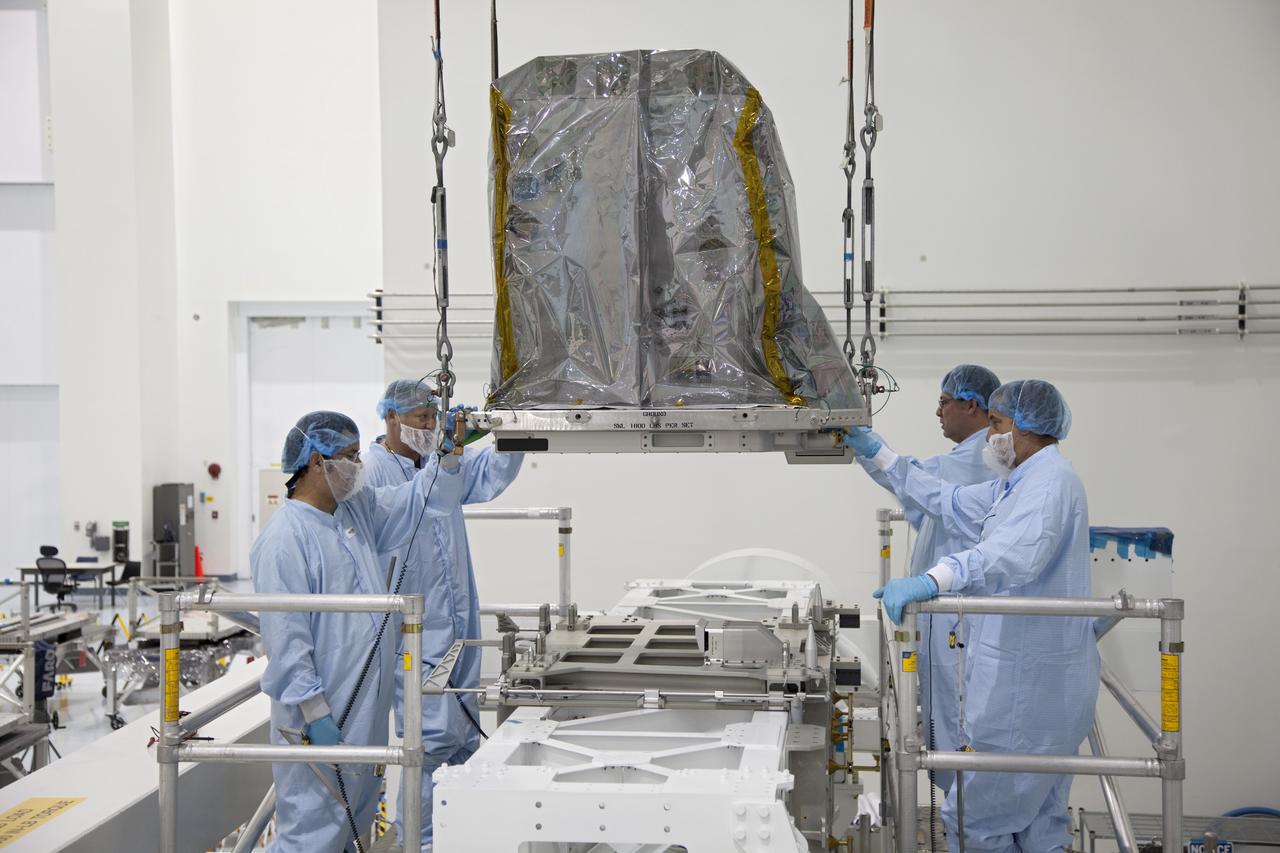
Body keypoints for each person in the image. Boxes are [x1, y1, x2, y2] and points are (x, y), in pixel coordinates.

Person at [847, 380, 1098, 853]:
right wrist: (877, 453)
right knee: (1038, 826)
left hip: (1027, 691)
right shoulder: (1016, 484)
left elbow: (1009, 555)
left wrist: (934, 579)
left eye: (998, 425)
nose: (991, 437)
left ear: (1026, 429)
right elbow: (948, 502)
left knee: (974, 820)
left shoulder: (1051, 485)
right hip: (1028, 684)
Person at [251, 410, 465, 853]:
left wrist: (445, 459)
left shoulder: (354, 511)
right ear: (315, 462)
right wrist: (314, 712)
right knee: (312, 831)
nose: (358, 466)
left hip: (365, 704)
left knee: (351, 820)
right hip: (322, 711)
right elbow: (287, 639)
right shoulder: (284, 540)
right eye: (349, 457)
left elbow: (411, 505)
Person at [364, 379, 525, 852]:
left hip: (457, 617)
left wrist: (509, 427)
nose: (430, 426)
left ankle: (458, 840)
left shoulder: (439, 459)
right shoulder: (374, 471)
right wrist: (446, 458)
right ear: (391, 417)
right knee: (427, 743)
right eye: (420, 419)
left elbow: (491, 475)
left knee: (461, 739)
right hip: (413, 629)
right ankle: (421, 843)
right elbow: (416, 503)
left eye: (434, 418)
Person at [843, 363, 1000, 792]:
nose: (938, 412)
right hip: (946, 624)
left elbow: (918, 483)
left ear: (972, 405)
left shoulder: (978, 461)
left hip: (960, 624)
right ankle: (962, 821)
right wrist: (869, 449)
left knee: (956, 727)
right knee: (943, 724)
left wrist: (872, 448)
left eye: (944, 402)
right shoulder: (962, 461)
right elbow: (915, 490)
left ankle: (968, 826)